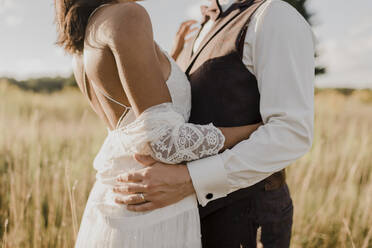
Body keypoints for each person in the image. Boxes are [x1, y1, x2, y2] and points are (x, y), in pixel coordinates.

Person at [54, 0, 261, 247]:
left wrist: (169, 58)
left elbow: (134, 105)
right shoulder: (128, 15)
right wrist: (257, 129)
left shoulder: (88, 33)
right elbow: (166, 142)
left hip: (117, 201)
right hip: (152, 207)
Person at [116, 0, 315, 247]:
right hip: (186, 218)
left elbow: (291, 132)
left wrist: (191, 180)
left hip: (247, 215)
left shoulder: (274, 16)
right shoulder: (200, 27)